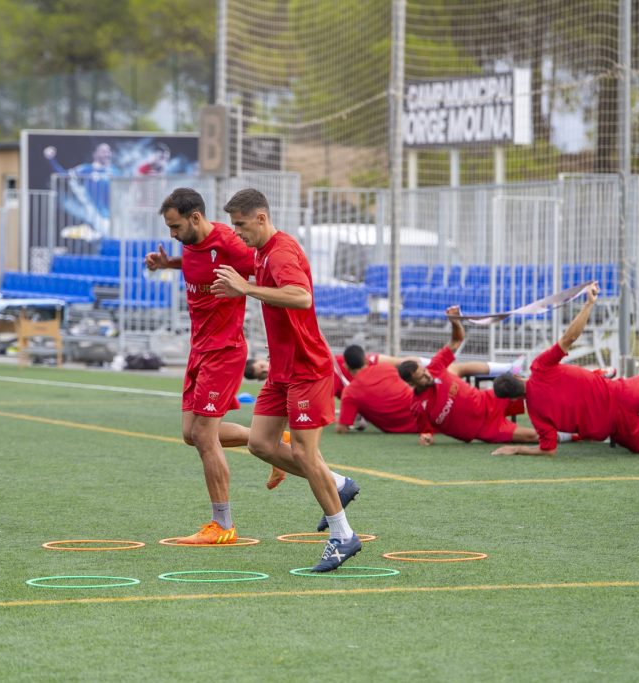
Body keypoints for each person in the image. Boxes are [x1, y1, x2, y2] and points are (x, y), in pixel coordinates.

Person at [212, 188, 361, 572]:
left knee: (304, 455)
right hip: (282, 371)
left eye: (241, 225)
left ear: (261, 218)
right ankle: (338, 483)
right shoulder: (262, 251)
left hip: (307, 369)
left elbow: (301, 297)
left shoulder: (279, 252)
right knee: (261, 444)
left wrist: (245, 288)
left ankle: (343, 535)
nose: (238, 233)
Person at [143, 187, 258, 544]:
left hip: (224, 349)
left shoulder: (230, 242)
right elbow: (199, 261)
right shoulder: (191, 245)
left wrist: (246, 290)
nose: (172, 236)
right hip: (200, 350)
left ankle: (223, 525)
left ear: (195, 217)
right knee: (190, 433)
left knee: (206, 436)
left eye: (175, 228)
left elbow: (265, 270)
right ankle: (270, 441)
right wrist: (168, 263)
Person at [491, 282, 639, 456]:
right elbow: (570, 338)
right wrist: (589, 304)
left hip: (611, 425)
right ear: (517, 375)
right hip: (621, 393)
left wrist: (517, 449)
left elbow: (549, 450)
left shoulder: (535, 414)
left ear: (512, 399)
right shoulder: (539, 367)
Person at [397, 305, 555, 446]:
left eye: (424, 371)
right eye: (422, 377)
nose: (428, 375)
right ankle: (573, 434)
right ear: (412, 383)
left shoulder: (435, 367)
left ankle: (571, 410)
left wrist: (455, 322)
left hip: (490, 400)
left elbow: (457, 340)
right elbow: (426, 432)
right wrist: (426, 437)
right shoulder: (418, 407)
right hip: (486, 429)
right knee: (535, 436)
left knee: (537, 393)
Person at [336, 349, 521, 436]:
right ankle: (510, 370)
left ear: (346, 366)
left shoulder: (350, 394)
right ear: (366, 360)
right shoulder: (384, 367)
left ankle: (511, 380)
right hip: (429, 405)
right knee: (457, 370)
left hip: (426, 420)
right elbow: (408, 363)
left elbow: (342, 428)